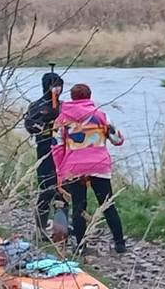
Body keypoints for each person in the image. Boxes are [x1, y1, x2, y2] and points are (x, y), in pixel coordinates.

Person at [52, 84, 126, 255]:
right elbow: (117, 140)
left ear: (72, 97)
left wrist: (60, 169)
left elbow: (56, 147)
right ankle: (120, 243)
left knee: (79, 206)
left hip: (74, 167)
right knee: (107, 204)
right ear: (89, 96)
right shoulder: (101, 115)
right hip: (99, 165)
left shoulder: (62, 119)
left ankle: (80, 246)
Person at [23, 70, 64, 238]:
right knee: (46, 189)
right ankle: (40, 229)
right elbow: (30, 125)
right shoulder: (37, 106)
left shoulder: (64, 106)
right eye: (54, 86)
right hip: (45, 151)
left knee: (63, 190)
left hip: (63, 153)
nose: (57, 89)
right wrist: (45, 124)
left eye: (60, 86)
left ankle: (61, 229)